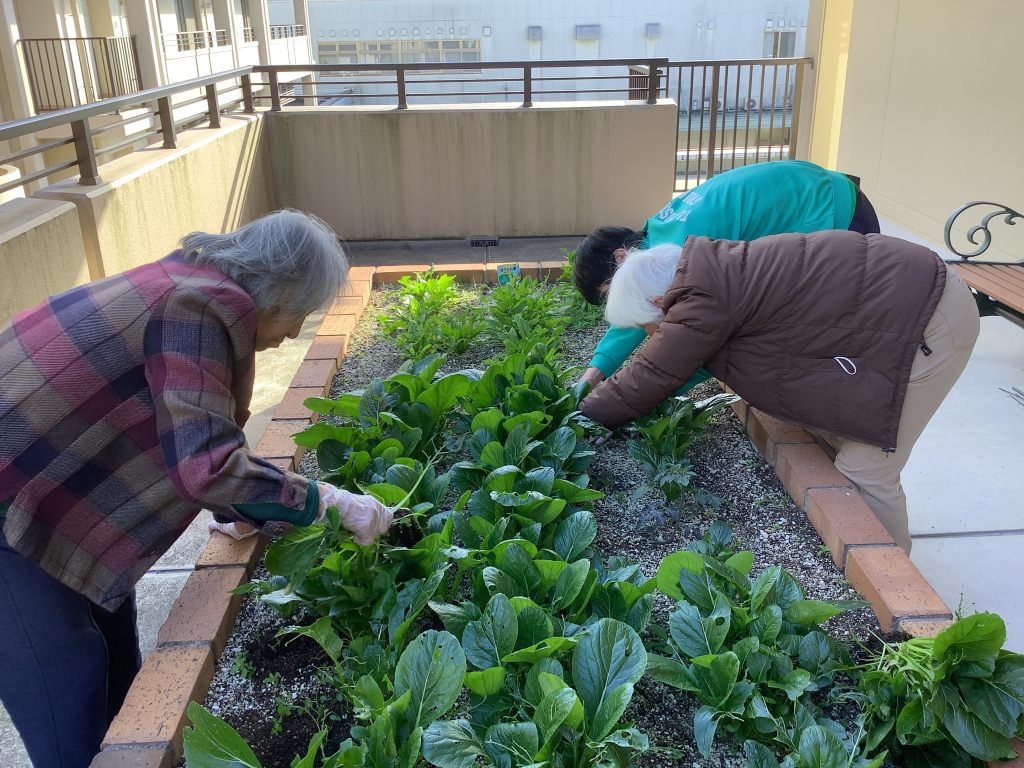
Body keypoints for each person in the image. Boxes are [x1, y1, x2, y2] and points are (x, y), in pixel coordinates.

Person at [0, 210, 393, 768]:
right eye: (297, 314)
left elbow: (183, 427)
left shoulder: (187, 280)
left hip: (38, 489)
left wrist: (249, 504)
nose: (292, 334)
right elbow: (206, 465)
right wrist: (329, 502)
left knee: (113, 645)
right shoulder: (200, 306)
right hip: (8, 509)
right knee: (67, 679)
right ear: (275, 291)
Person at [580, 232, 980, 553]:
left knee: (866, 471)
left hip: (929, 318)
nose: (654, 338)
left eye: (651, 329)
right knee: (844, 444)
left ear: (658, 302)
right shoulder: (709, 269)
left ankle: (893, 600)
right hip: (902, 305)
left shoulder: (699, 300)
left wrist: (580, 416)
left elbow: (654, 371)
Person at [573, 160, 882, 393]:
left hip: (837, 216)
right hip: (826, 187)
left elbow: (703, 341)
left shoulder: (682, 253)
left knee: (786, 330)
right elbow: (637, 313)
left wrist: (642, 399)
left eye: (609, 291)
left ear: (620, 257)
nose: (619, 298)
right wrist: (592, 376)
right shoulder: (661, 236)